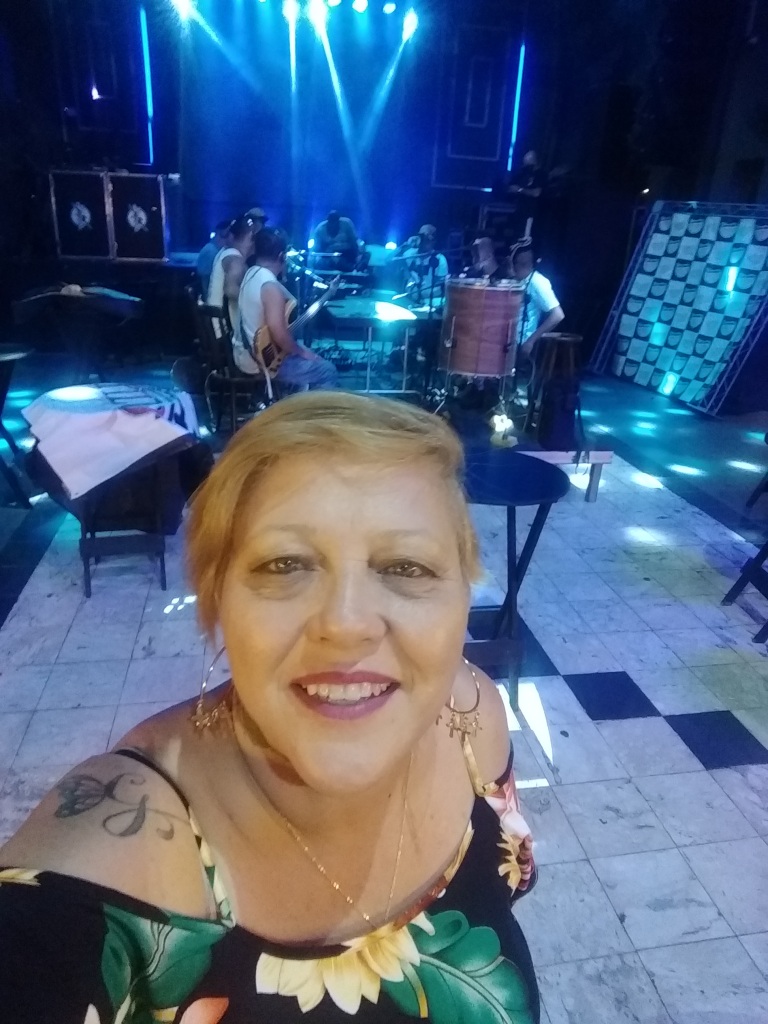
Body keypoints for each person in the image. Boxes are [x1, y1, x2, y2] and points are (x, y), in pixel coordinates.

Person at [0, 391, 539, 1023]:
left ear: (461, 598)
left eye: (406, 566)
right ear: (217, 600)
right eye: (285, 564)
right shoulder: (115, 859)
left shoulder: (473, 717)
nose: (346, 624)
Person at [237, 226, 339, 390]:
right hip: (262, 362)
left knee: (308, 355)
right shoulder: (270, 287)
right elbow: (279, 335)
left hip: (245, 353)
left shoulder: (251, 273)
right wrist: (302, 353)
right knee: (327, 370)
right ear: (282, 256)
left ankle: (299, 399)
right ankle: (314, 407)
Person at [509, 238, 564, 360]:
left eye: (514, 264)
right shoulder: (520, 280)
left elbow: (558, 315)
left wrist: (530, 341)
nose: (512, 268)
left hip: (519, 342)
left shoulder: (538, 282)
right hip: (508, 338)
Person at [207, 215, 255, 333]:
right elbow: (231, 291)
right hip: (223, 330)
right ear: (250, 236)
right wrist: (258, 300)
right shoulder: (234, 259)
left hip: (216, 323)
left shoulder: (226, 252)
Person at [402, 225, 449, 307]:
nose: (423, 242)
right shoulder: (409, 254)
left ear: (434, 241)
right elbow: (388, 260)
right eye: (421, 238)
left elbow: (441, 285)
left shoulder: (440, 259)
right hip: (409, 300)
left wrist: (425, 296)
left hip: (429, 303)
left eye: (427, 240)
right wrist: (406, 244)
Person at [506, 150, 545, 238]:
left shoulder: (540, 175)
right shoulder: (523, 174)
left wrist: (520, 190)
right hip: (521, 212)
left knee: (526, 238)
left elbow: (537, 193)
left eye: (527, 162)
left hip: (531, 213)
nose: (525, 165)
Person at [196, 220, 232, 298]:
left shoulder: (218, 250)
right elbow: (208, 282)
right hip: (212, 299)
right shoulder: (210, 251)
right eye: (227, 235)